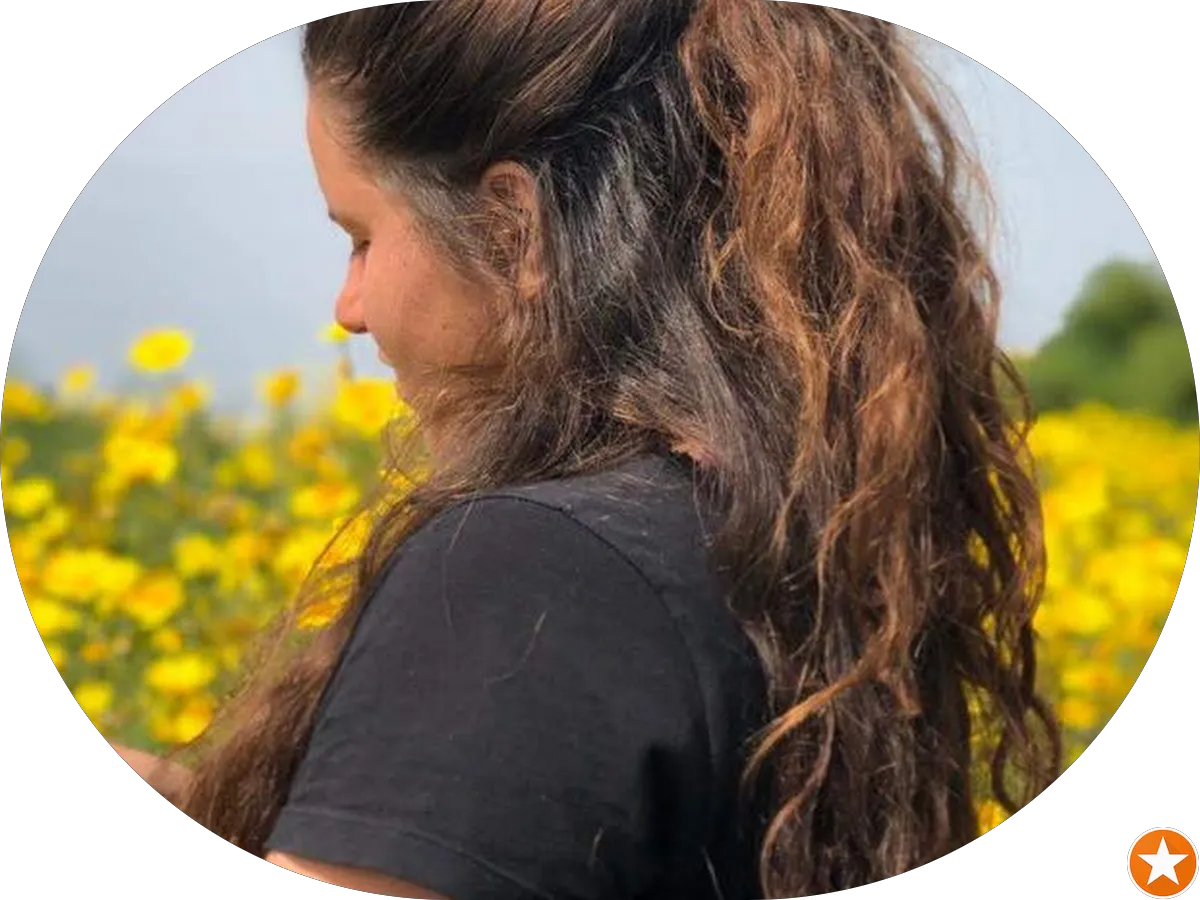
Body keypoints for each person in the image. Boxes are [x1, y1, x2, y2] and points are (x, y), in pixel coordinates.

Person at [113, 3, 1063, 898]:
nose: (348, 307)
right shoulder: (772, 534)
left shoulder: (530, 573)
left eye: (362, 236)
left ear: (512, 228)